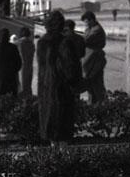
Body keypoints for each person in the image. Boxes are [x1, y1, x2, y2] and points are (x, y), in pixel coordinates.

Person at [37, 11, 82, 147]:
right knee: (62, 128)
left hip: (45, 88)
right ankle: (63, 156)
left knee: (50, 126)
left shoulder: (41, 42)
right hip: (62, 89)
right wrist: (76, 84)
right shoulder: (65, 42)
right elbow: (70, 68)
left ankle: (53, 153)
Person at [80, 11, 107, 104]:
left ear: (91, 20)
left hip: (95, 61)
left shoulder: (97, 30)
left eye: (86, 21)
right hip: (90, 60)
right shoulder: (90, 29)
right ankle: (94, 104)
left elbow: (85, 40)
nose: (85, 24)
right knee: (91, 85)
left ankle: (100, 105)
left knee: (97, 85)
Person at [0, 28, 22, 96]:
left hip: (0, 78)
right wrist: (14, 71)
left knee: (1, 97)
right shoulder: (13, 47)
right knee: (12, 97)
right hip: (11, 77)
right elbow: (18, 63)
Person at [16, 27, 35, 97]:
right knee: (28, 86)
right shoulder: (31, 44)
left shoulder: (18, 43)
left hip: (21, 67)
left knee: (21, 87)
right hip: (29, 67)